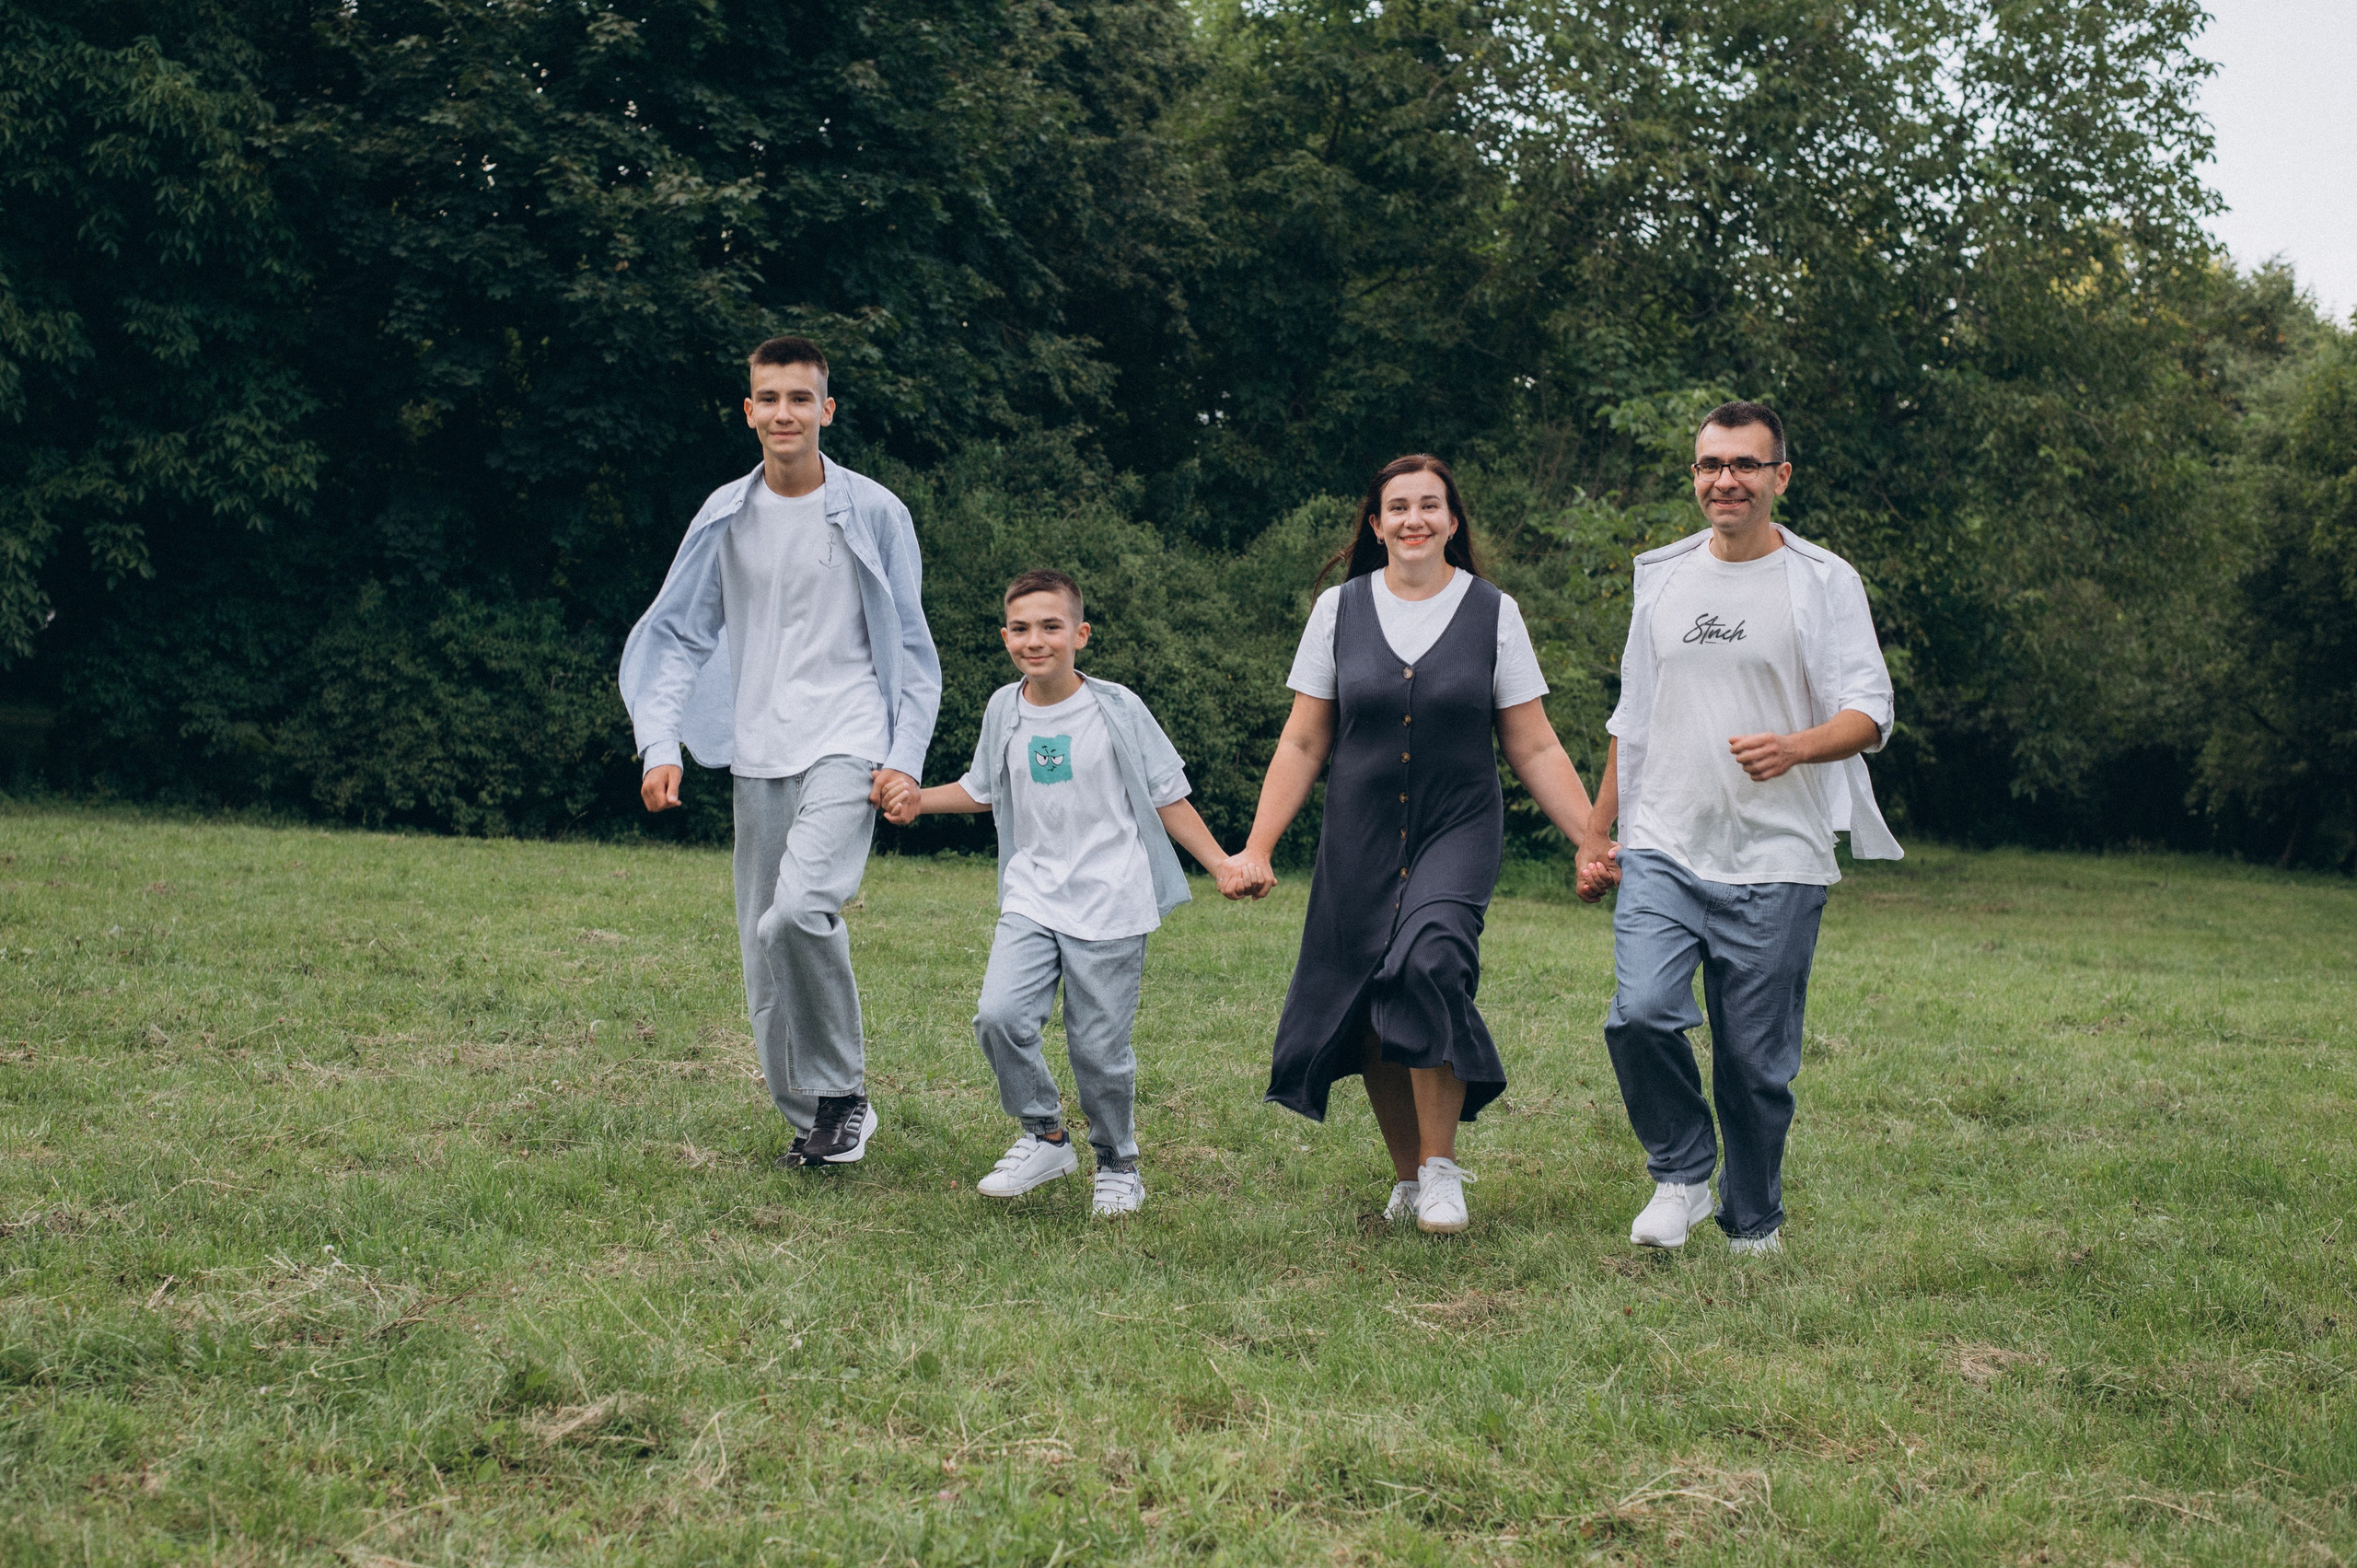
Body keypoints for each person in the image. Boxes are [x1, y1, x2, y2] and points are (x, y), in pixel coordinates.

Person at [1227, 455, 1596, 1235]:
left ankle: (1440, 1168)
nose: (1414, 520)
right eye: (1398, 507)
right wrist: (1258, 848)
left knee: (1427, 963)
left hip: (1458, 823)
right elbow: (1302, 742)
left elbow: (1532, 745)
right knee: (1367, 997)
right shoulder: (1338, 609)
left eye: (1430, 506)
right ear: (1376, 523)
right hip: (1357, 833)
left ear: (1453, 521)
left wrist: (1593, 838)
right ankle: (1407, 1177)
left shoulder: (1495, 611)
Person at [1576, 401, 1900, 1255]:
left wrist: (1796, 746)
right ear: (1695, 476)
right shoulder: (1664, 575)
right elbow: (1632, 716)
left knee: (1755, 1064)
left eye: (1745, 465)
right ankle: (1681, 1175)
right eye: (1710, 464)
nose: (1725, 480)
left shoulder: (1825, 582)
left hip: (1779, 855)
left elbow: (1872, 710)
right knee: (1641, 1012)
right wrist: (1594, 831)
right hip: (1665, 842)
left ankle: (1753, 1220)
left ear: (1779, 476)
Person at [618, 336, 941, 1168]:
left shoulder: (875, 511)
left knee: (799, 909)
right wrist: (661, 741)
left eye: (801, 398)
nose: (785, 413)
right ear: (750, 410)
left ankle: (842, 1092)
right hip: (759, 750)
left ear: (826, 410)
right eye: (770, 398)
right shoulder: (726, 514)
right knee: (764, 946)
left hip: (849, 740)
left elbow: (909, 645)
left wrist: (904, 755)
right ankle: (815, 1121)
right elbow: (678, 634)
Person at [880, 570, 1255, 1216]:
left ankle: (1117, 1162)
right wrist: (919, 799)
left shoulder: (1116, 707)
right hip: (1033, 894)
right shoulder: (1004, 707)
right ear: (1005, 637)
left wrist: (1220, 864)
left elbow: (1168, 794)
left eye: (1051, 626)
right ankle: (1046, 1134)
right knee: (998, 1016)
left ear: (1079, 633)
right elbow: (982, 788)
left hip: (1110, 900)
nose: (1036, 640)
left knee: (1098, 1050)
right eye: (1021, 628)